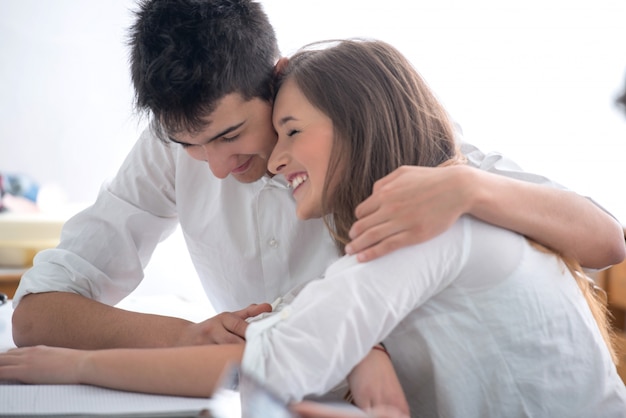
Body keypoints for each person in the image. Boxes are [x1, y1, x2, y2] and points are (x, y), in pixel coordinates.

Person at [1, 39, 624, 418]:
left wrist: (466, 187)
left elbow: (268, 361)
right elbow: (290, 337)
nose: (220, 167)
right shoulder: (380, 232)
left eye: (282, 132)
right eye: (188, 145)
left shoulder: (427, 210)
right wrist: (357, 354)